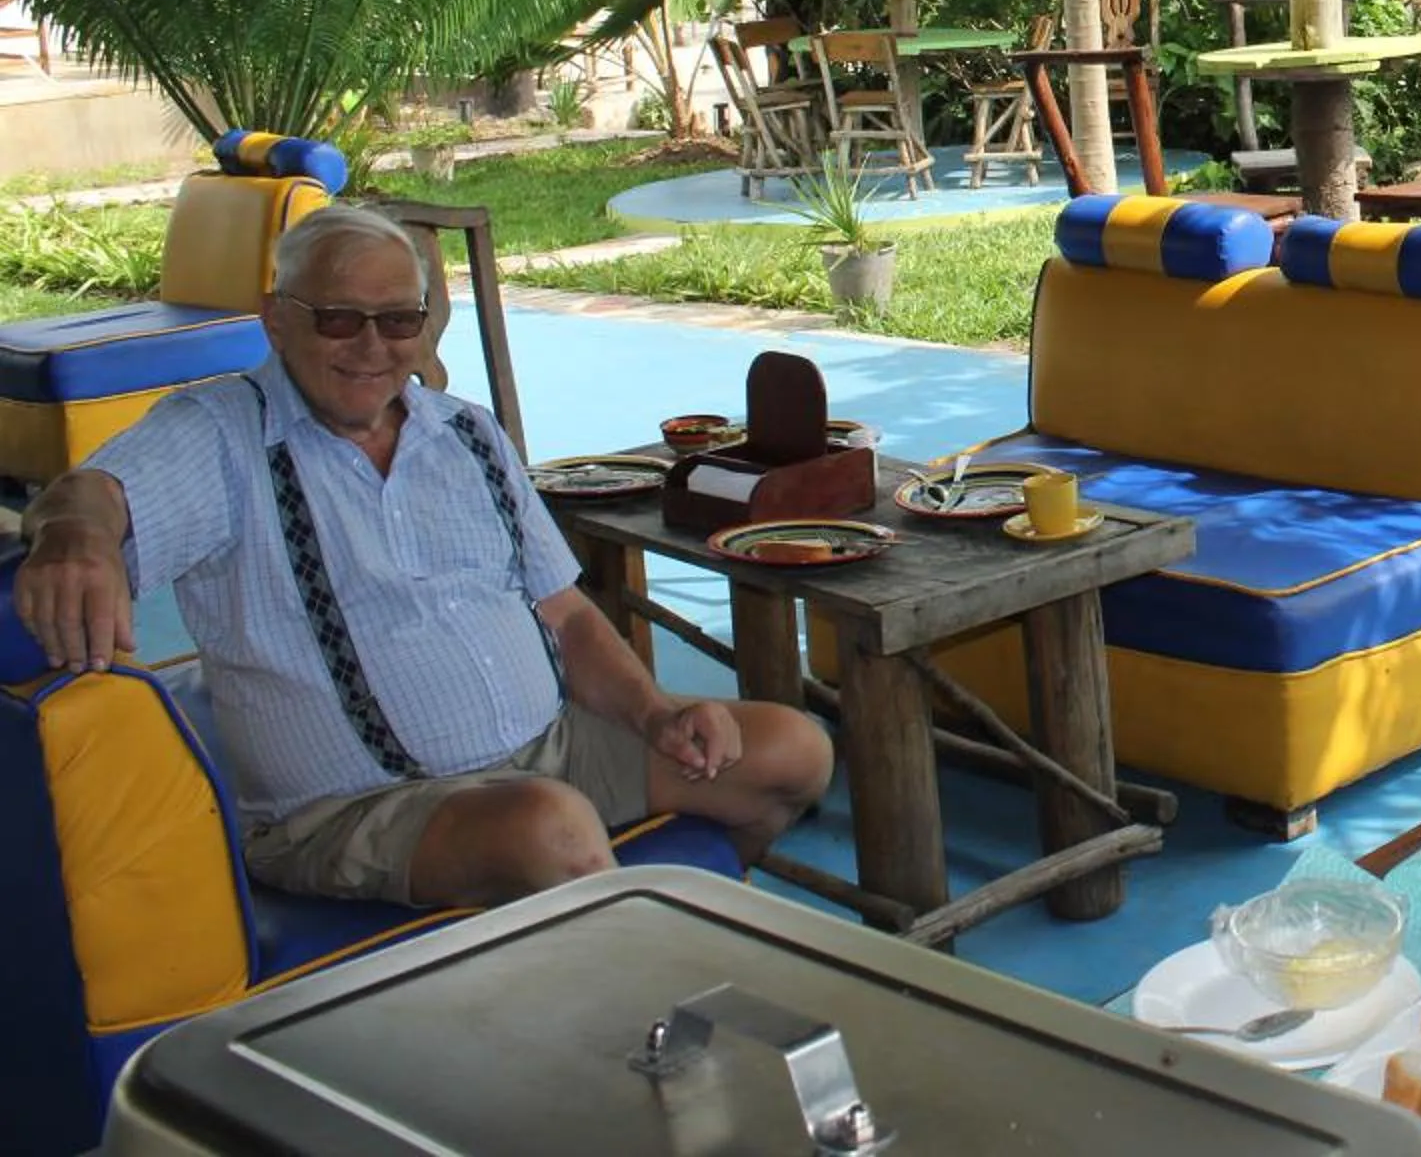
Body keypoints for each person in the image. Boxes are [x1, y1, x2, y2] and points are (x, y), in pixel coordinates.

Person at [9, 203, 833, 908]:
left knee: (793, 752)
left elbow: (567, 614)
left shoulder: (464, 432)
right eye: (339, 318)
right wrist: (78, 538)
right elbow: (93, 492)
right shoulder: (219, 434)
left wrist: (657, 715)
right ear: (277, 317)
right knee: (550, 827)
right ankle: (637, 1003)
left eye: (399, 320)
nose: (373, 346)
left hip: (552, 751)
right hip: (354, 807)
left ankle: (680, 927)